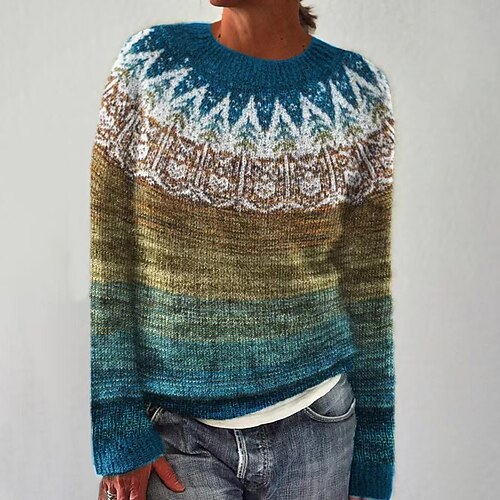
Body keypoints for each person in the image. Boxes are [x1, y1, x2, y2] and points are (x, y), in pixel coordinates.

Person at [89, 1, 396, 499]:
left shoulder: (357, 93)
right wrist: (119, 432)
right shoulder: (151, 68)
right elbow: (110, 260)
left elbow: (367, 287)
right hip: (177, 434)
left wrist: (374, 461)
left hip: (319, 427)